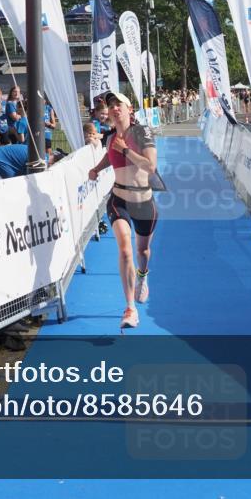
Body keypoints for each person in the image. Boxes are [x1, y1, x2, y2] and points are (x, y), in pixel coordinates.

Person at [88, 91, 158, 330]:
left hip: (144, 203)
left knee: (143, 250)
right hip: (118, 200)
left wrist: (126, 150)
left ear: (129, 109)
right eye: (111, 105)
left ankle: (143, 274)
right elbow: (110, 156)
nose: (114, 108)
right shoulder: (109, 138)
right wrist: (96, 169)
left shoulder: (142, 133)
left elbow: (150, 167)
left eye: (119, 104)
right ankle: (130, 308)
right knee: (125, 250)